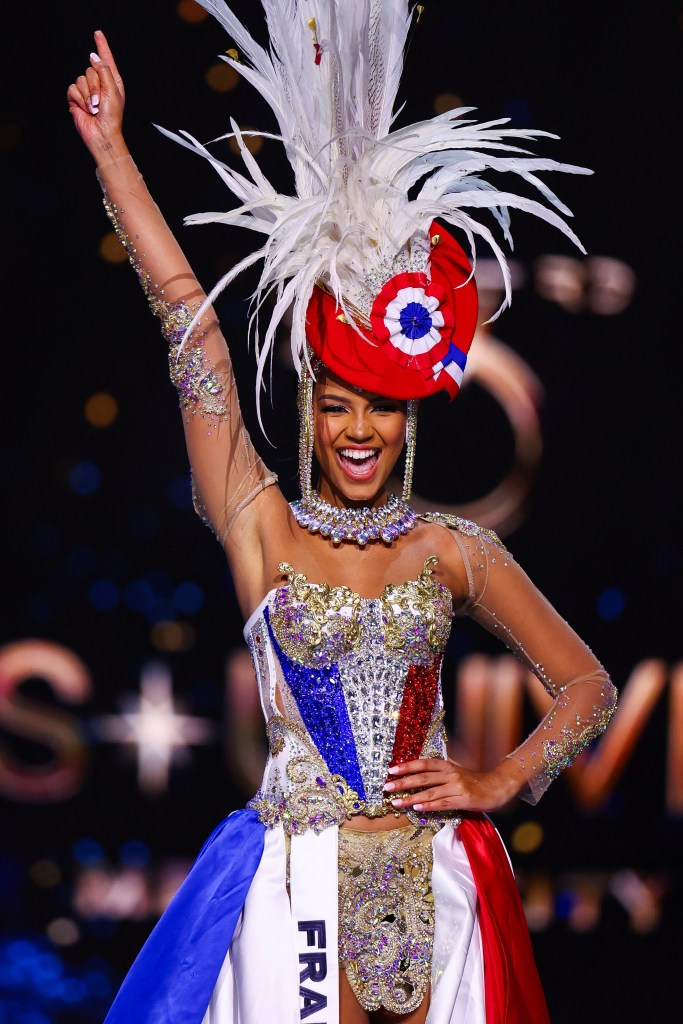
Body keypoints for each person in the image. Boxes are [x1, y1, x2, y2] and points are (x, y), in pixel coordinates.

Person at [67, 6, 617, 1023]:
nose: (356, 430)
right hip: (294, 901)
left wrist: (502, 777)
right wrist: (113, 156)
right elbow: (189, 320)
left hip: (438, 890)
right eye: (335, 405)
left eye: (378, 405)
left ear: (407, 416)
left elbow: (587, 684)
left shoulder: (454, 551)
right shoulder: (259, 526)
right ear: (309, 411)